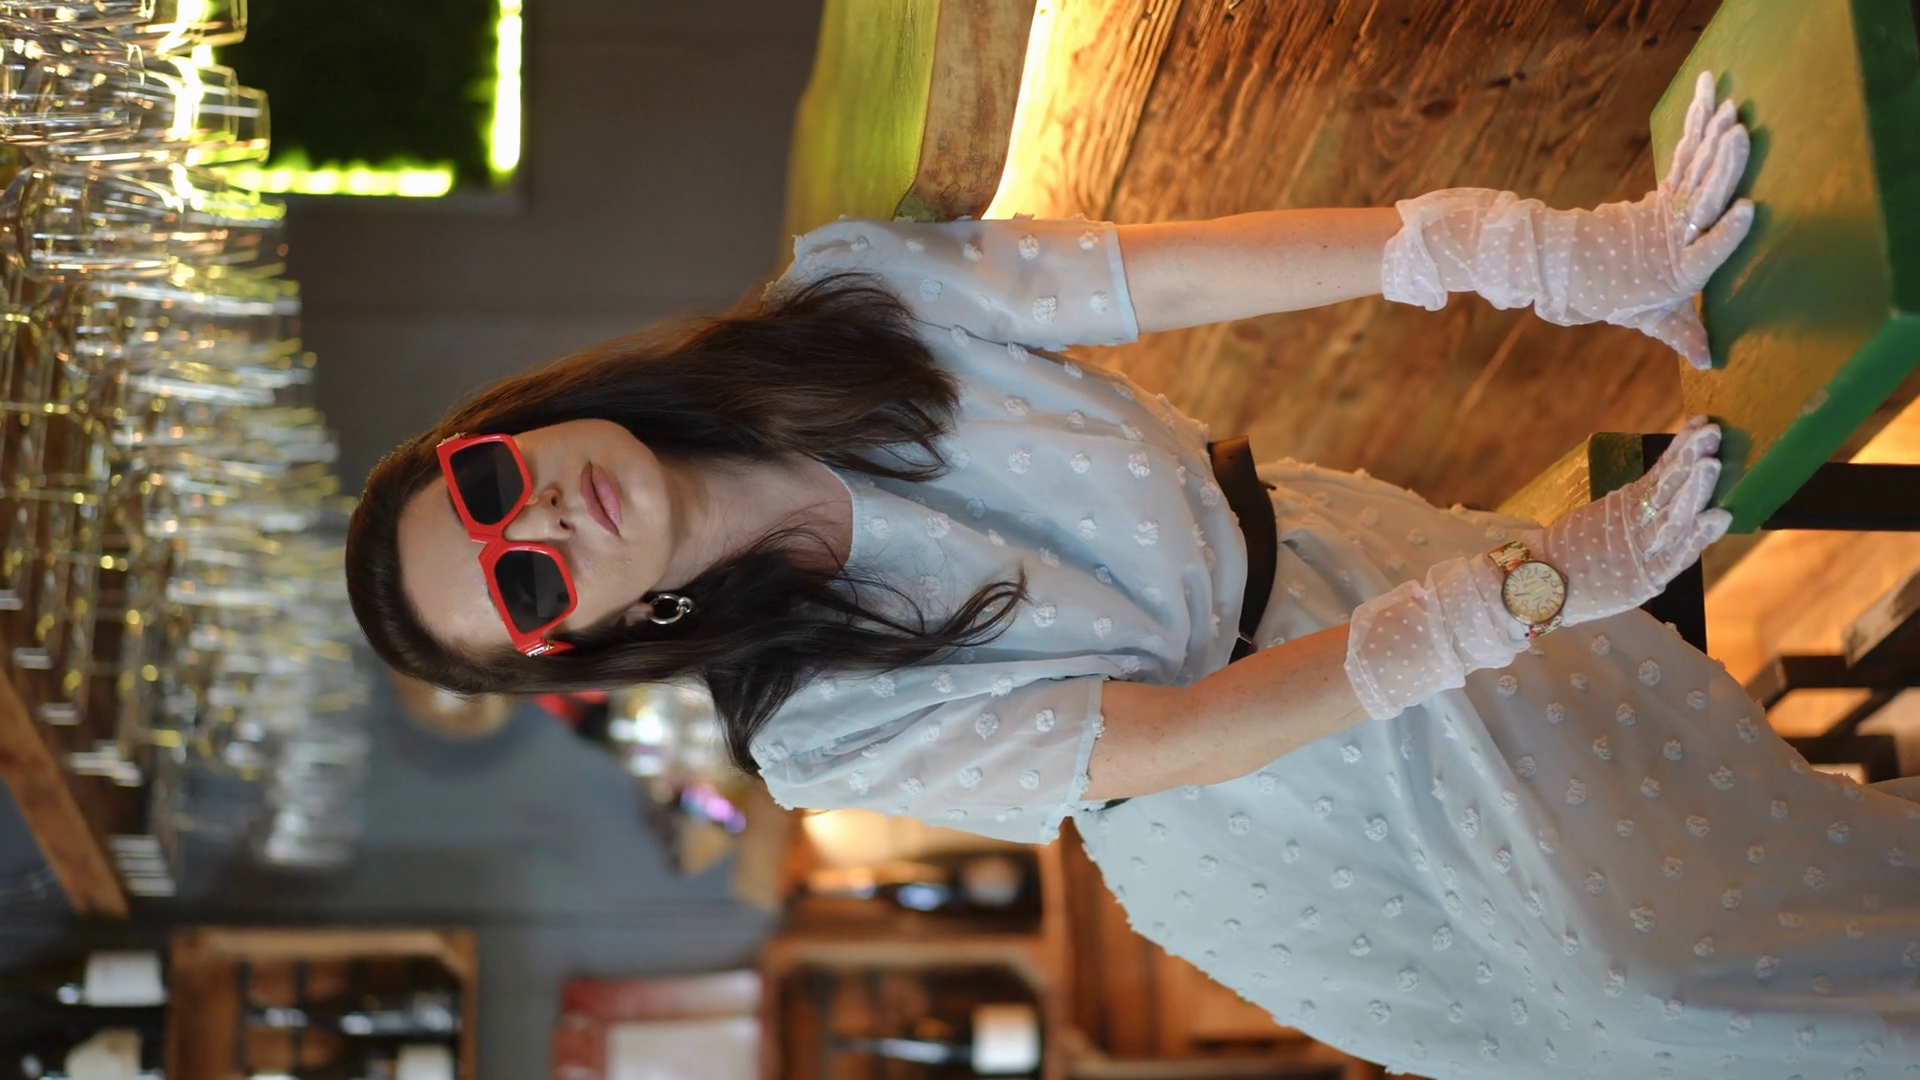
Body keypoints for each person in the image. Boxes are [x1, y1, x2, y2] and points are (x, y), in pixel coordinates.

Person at [345, 75, 1920, 1077]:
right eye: (527, 585)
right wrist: (1517, 594)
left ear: (509, 429)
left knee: (1702, 917)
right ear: (592, 637)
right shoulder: (813, 739)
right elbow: (1176, 740)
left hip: (1322, 567)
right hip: (1266, 812)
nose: (543, 523)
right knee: (1649, 997)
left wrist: (1538, 253)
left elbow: (1162, 274)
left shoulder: (844, 302)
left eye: (487, 488)